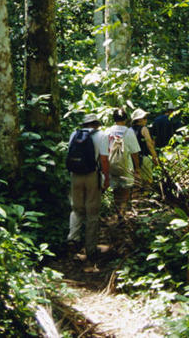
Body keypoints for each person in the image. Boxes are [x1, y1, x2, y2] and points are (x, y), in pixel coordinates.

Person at [66, 112, 109, 264]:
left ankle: (73, 239)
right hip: (92, 175)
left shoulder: (74, 134)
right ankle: (91, 249)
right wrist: (106, 178)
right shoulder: (101, 136)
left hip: (75, 175)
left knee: (76, 209)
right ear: (96, 124)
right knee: (92, 211)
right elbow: (104, 159)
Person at [106, 107, 141, 220]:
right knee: (125, 189)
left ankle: (118, 211)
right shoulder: (129, 132)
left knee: (116, 190)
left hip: (112, 165)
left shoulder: (108, 131)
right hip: (126, 166)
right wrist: (137, 168)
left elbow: (104, 150)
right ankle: (123, 211)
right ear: (126, 119)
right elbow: (134, 152)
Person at [130, 108, 159, 185]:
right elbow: (149, 145)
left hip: (131, 159)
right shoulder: (144, 129)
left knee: (136, 183)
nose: (146, 120)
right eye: (144, 118)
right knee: (147, 182)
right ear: (139, 119)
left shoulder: (129, 130)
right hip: (143, 158)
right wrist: (154, 156)